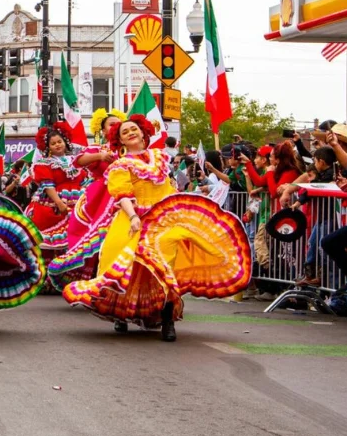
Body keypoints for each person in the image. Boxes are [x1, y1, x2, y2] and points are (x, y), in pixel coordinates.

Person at [63, 116, 252, 341]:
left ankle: (167, 319)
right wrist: (133, 216)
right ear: (120, 140)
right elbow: (122, 195)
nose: (131, 133)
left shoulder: (160, 157)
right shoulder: (120, 165)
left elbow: (169, 189)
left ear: (143, 132)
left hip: (163, 220)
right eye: (125, 132)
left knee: (165, 266)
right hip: (132, 219)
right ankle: (120, 314)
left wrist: (181, 213)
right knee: (123, 264)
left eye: (134, 129)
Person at [48, 108, 125, 285]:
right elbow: (79, 161)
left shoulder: (129, 148)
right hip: (102, 198)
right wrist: (100, 156)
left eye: (119, 124)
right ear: (103, 130)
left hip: (129, 196)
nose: (116, 127)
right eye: (112, 124)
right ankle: (97, 277)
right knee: (99, 236)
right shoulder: (99, 149)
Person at [25, 124, 88, 258]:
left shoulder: (76, 160)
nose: (57, 145)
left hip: (79, 201)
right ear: (48, 147)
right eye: (53, 143)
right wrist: (59, 203)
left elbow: (83, 180)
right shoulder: (44, 163)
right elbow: (47, 185)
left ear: (65, 142)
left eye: (60, 141)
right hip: (55, 201)